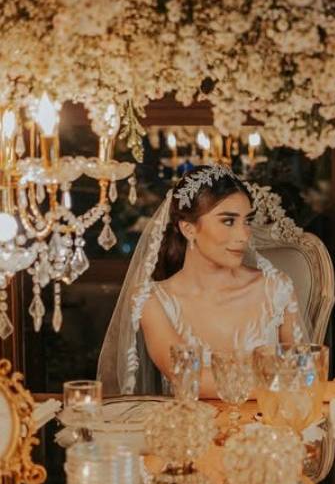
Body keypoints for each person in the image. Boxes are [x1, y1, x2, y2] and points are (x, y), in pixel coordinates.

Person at [97, 165, 308, 397]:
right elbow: (189, 379)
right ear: (188, 228)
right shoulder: (152, 301)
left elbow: (307, 371)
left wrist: (293, 378)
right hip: (192, 430)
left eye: (247, 221)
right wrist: (280, 380)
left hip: (268, 430)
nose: (244, 235)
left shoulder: (276, 289)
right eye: (228, 221)